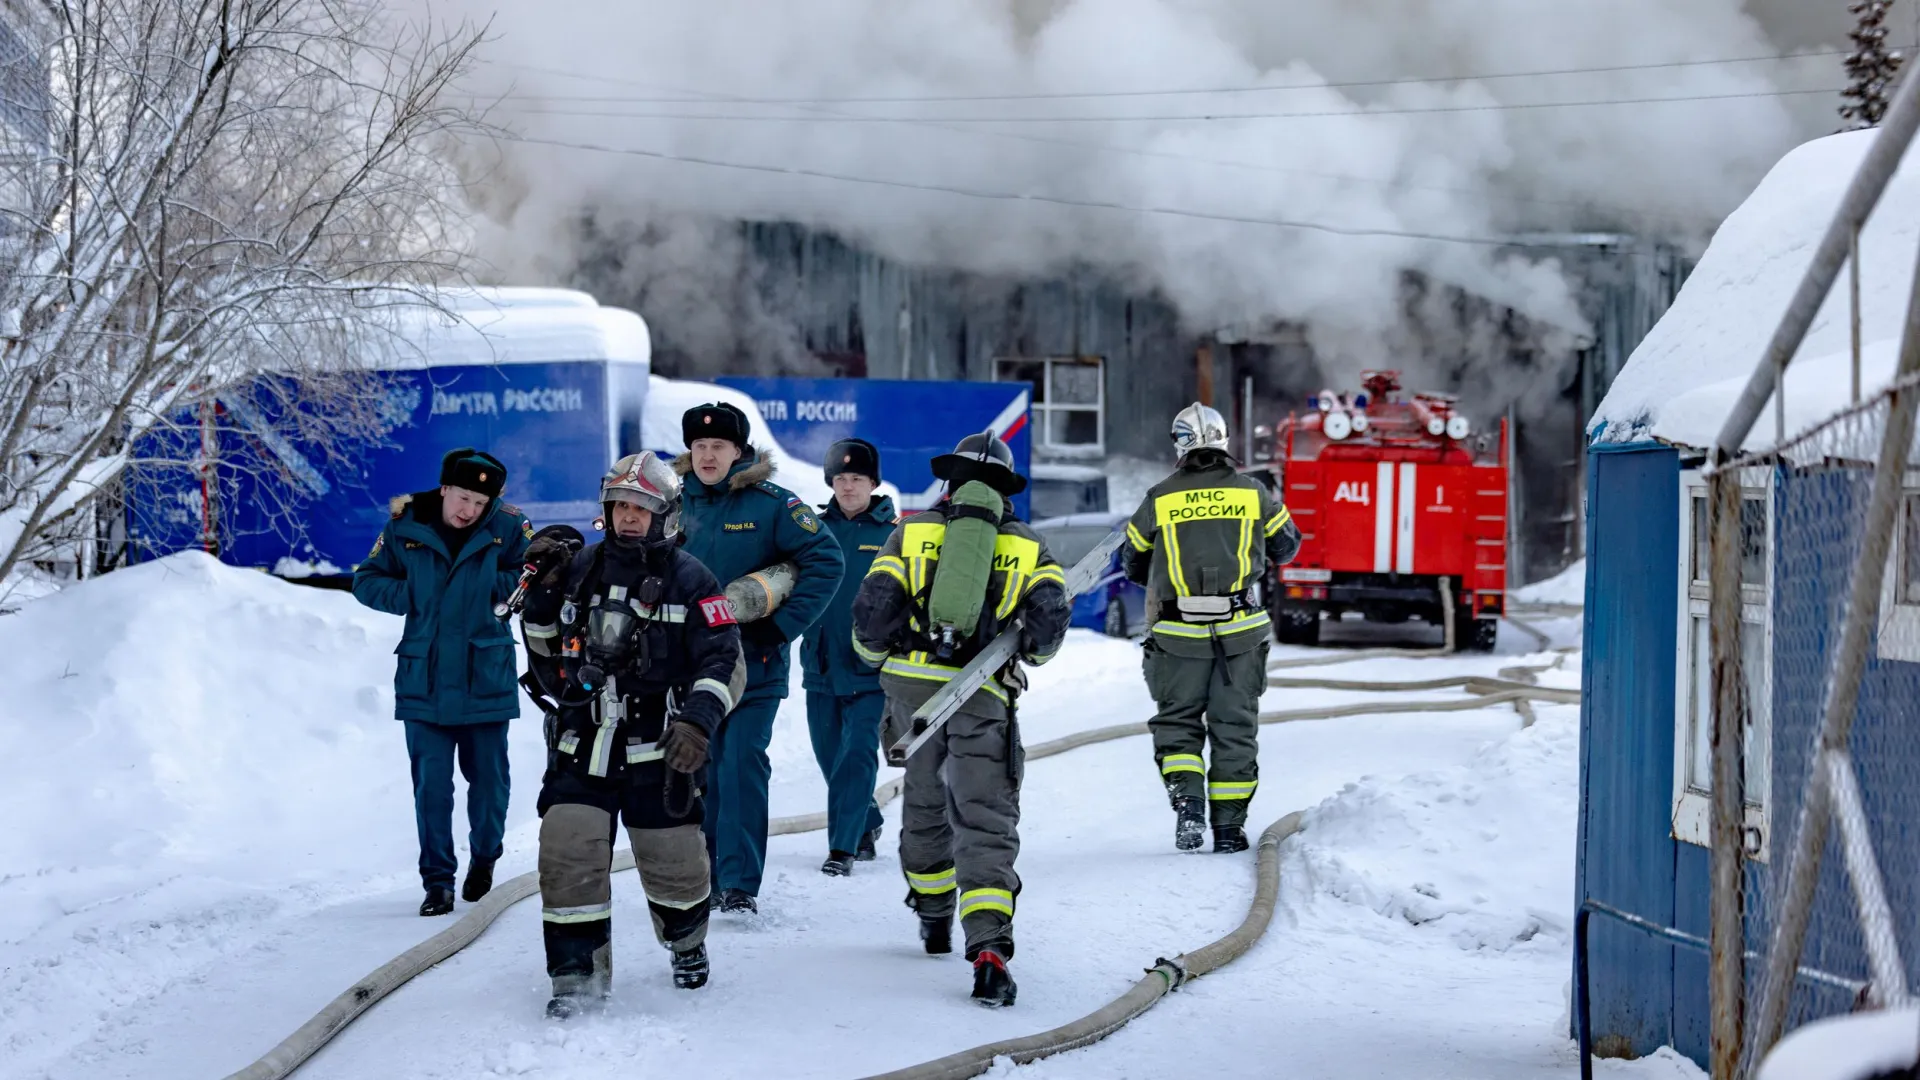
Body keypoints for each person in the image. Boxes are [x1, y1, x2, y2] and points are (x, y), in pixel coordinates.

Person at [517, 452, 746, 1019]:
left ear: (665, 514)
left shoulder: (694, 580)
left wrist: (697, 722)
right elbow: (547, 663)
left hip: (659, 750)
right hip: (583, 741)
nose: (628, 517)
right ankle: (576, 975)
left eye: (640, 507)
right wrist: (542, 599)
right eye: (619, 505)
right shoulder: (578, 569)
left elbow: (723, 659)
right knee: (567, 851)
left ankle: (686, 943)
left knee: (675, 865)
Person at [851, 432, 1070, 1008]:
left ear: (950, 483)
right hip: (980, 695)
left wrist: (883, 667)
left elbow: (872, 614)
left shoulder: (914, 530)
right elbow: (1046, 636)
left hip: (910, 693)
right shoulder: (1028, 547)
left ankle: (932, 916)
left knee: (923, 802)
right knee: (985, 816)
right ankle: (991, 950)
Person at [674, 402, 844, 914]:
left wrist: (781, 628)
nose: (707, 455)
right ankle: (703, 872)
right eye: (699, 446)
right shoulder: (671, 505)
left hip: (755, 665)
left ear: (738, 451)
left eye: (718, 447)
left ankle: (739, 884)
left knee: (741, 764)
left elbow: (827, 561)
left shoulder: (772, 505)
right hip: (688, 667)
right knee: (696, 770)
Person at [351, 448, 533, 917]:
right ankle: (437, 882)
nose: (468, 510)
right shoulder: (405, 524)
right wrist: (413, 592)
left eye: (479, 502)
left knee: (490, 783)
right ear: (445, 487)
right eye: (463, 497)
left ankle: (486, 857)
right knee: (431, 787)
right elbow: (366, 580)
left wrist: (496, 585)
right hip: (424, 679)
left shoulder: (510, 526)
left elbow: (536, 577)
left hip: (485, 676)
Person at [1123, 403, 1302, 855]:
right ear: (1224, 442)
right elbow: (1287, 547)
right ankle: (1228, 830)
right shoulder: (1254, 493)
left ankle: (1188, 809)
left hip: (1177, 636)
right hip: (1240, 634)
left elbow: (1133, 563)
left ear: (1179, 444)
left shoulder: (1159, 497)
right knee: (1234, 728)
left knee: (1178, 725)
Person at [800, 438, 896, 877]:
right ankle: (865, 821)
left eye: (856, 478)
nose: (848, 486)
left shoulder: (895, 534)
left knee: (857, 754)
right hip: (819, 665)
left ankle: (842, 849)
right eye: (840, 478)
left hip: (870, 669)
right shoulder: (813, 532)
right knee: (829, 757)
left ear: (873, 482)